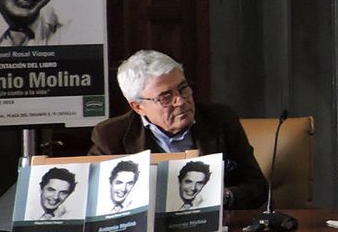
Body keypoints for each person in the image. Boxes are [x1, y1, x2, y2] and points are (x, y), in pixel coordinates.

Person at [88, 49, 267, 209]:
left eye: (183, 89)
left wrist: (223, 197)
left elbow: (258, 186)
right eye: (165, 97)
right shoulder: (111, 136)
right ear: (138, 107)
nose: (180, 101)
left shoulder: (221, 120)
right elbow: (95, 199)